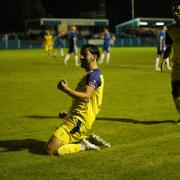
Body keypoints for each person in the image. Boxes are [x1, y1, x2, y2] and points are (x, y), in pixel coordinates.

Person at [44, 44, 109, 156]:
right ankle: (87, 139)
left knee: (50, 150)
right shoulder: (91, 75)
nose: (81, 57)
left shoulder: (94, 76)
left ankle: (83, 145)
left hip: (79, 121)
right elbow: (87, 102)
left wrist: (66, 89)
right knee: (49, 147)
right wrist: (68, 114)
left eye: (85, 55)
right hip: (76, 118)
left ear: (94, 57)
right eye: (81, 55)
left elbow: (86, 97)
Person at [163, 1, 180, 122]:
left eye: (178, 10)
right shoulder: (170, 29)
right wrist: (164, 58)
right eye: (174, 11)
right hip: (177, 67)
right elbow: (169, 46)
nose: (175, 13)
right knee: (175, 93)